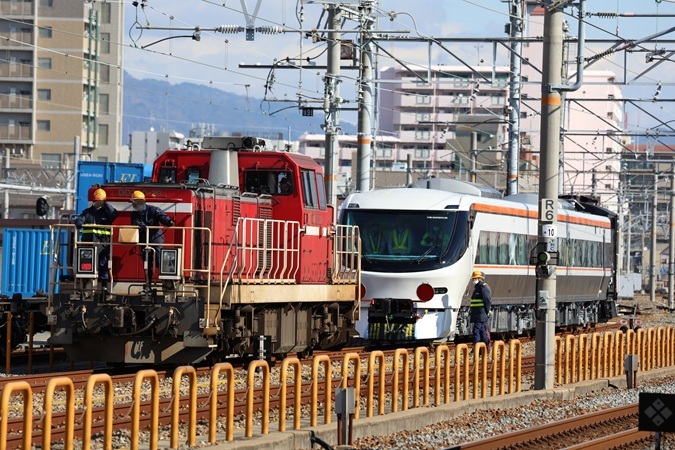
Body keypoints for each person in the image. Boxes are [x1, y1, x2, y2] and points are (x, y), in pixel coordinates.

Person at [74, 188, 118, 296]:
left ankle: (104, 289)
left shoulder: (107, 213)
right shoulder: (87, 212)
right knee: (85, 267)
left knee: (103, 266)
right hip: (88, 245)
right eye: (96, 200)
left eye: (100, 200)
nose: (97, 202)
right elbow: (80, 219)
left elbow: (114, 215)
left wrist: (106, 203)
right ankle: (83, 288)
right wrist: (78, 222)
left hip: (103, 245)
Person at [130, 190, 174, 288]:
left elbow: (163, 217)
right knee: (147, 264)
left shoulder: (154, 210)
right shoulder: (135, 214)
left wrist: (168, 221)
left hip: (156, 240)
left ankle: (168, 282)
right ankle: (148, 284)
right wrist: (142, 226)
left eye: (134, 203)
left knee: (160, 261)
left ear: (141, 202)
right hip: (144, 241)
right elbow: (135, 222)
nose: (133, 205)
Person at [470, 269, 492, 348]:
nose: (473, 280)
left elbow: (487, 300)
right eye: (473, 279)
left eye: (475, 278)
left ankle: (476, 346)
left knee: (476, 330)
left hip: (481, 313)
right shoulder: (477, 288)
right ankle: (486, 345)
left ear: (479, 278)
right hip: (477, 314)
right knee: (482, 330)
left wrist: (487, 310)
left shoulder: (483, 287)